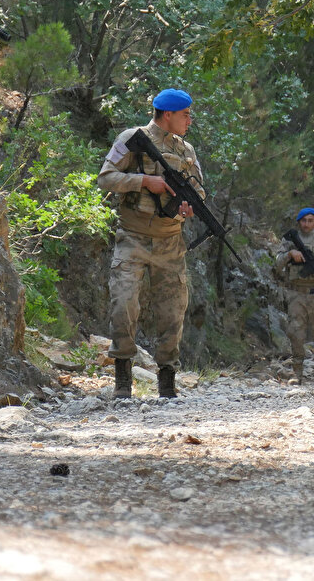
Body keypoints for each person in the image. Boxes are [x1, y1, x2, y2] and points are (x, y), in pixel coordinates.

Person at [97, 88, 204, 400]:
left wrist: (188, 207)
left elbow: (199, 191)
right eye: (185, 114)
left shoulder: (187, 150)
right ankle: (122, 380)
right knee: (124, 303)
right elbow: (106, 177)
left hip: (171, 241)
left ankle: (167, 381)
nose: (189, 120)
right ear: (167, 114)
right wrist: (144, 181)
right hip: (132, 236)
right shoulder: (133, 138)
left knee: (173, 312)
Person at [274, 207, 314, 387]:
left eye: (310, 220)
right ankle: (297, 373)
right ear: (299, 222)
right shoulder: (290, 241)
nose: (307, 224)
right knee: (296, 332)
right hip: (296, 292)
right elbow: (278, 263)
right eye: (304, 220)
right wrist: (290, 255)